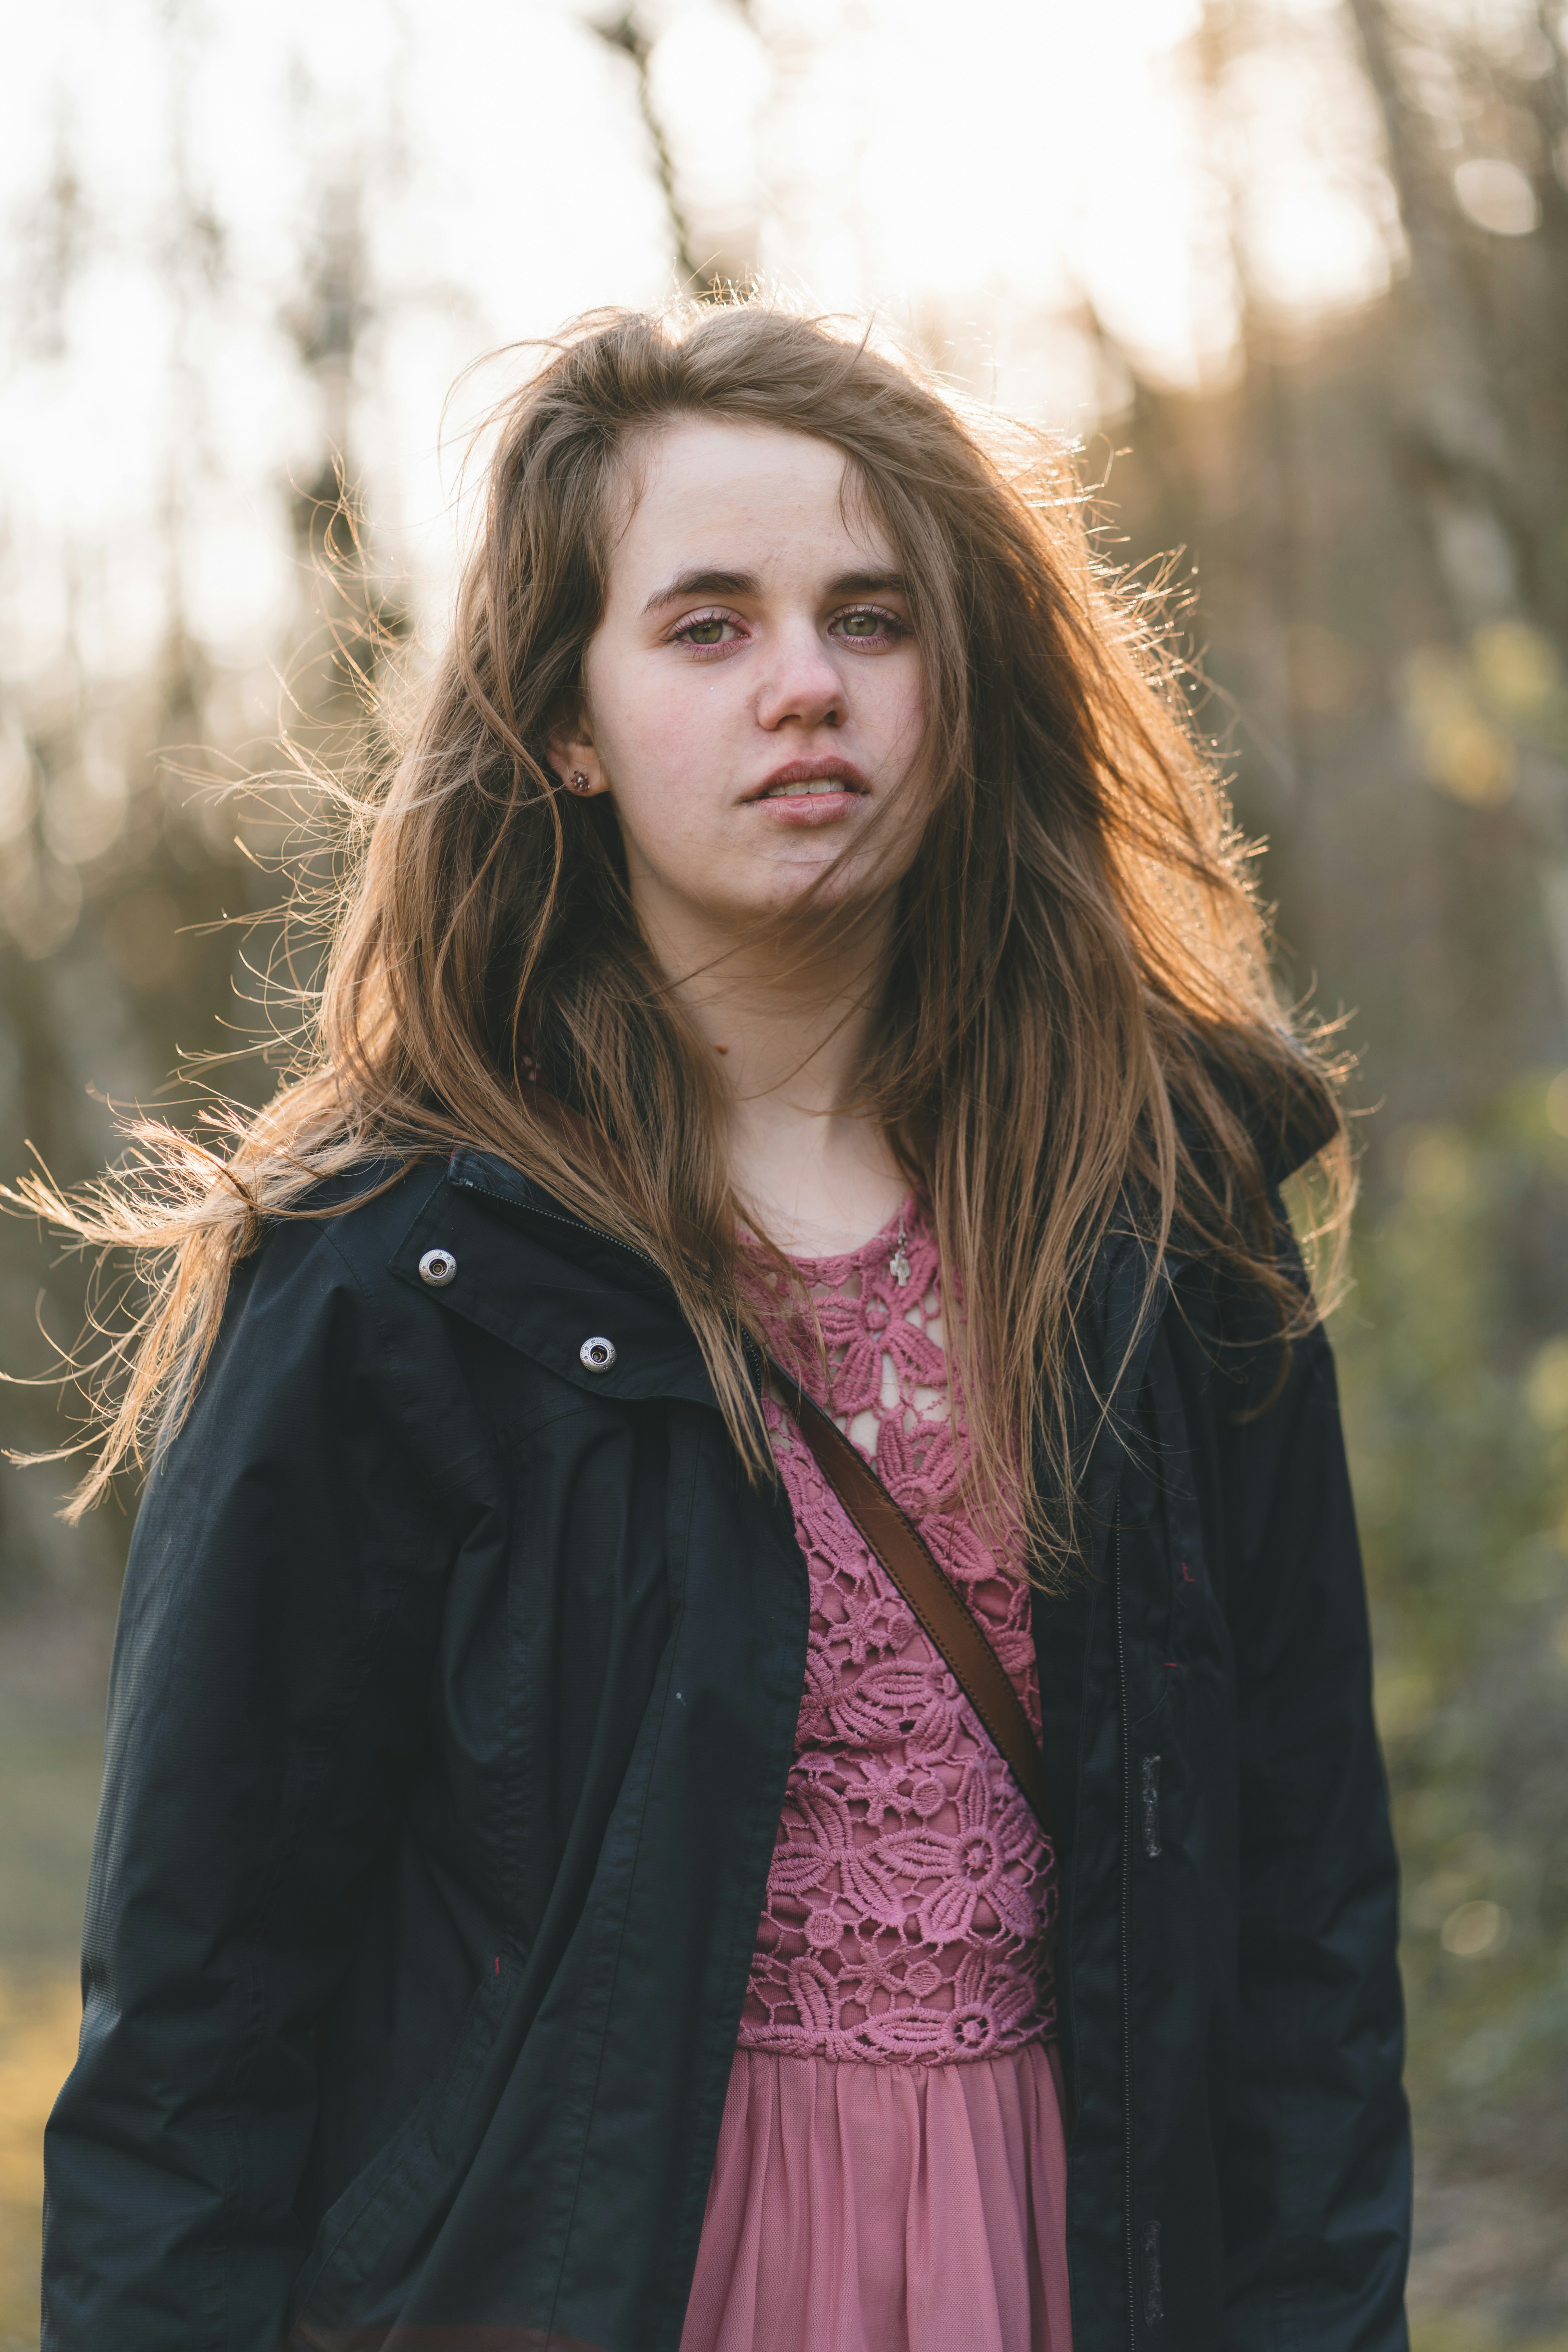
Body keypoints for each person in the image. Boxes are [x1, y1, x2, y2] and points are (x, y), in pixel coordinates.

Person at [36, 299, 1410, 2352]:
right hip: (586, 2278)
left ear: (961, 684)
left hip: (1077, 2256)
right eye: (706, 625)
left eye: (872, 618)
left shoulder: (1164, 1214)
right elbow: (201, 2018)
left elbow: (1307, 1918)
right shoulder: (389, 1274)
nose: (804, 688)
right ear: (566, 721)